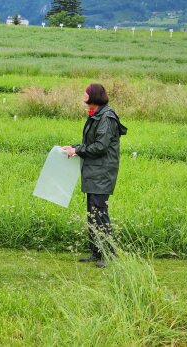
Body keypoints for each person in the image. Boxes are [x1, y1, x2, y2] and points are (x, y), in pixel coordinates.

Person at [62, 84, 127, 268]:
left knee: (100, 213)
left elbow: (100, 146)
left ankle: (109, 254)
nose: (83, 97)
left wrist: (78, 150)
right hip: (94, 171)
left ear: (94, 96)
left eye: (86, 94)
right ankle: (96, 253)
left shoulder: (107, 117)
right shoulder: (96, 114)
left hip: (102, 172)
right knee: (92, 213)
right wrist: (73, 148)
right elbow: (90, 142)